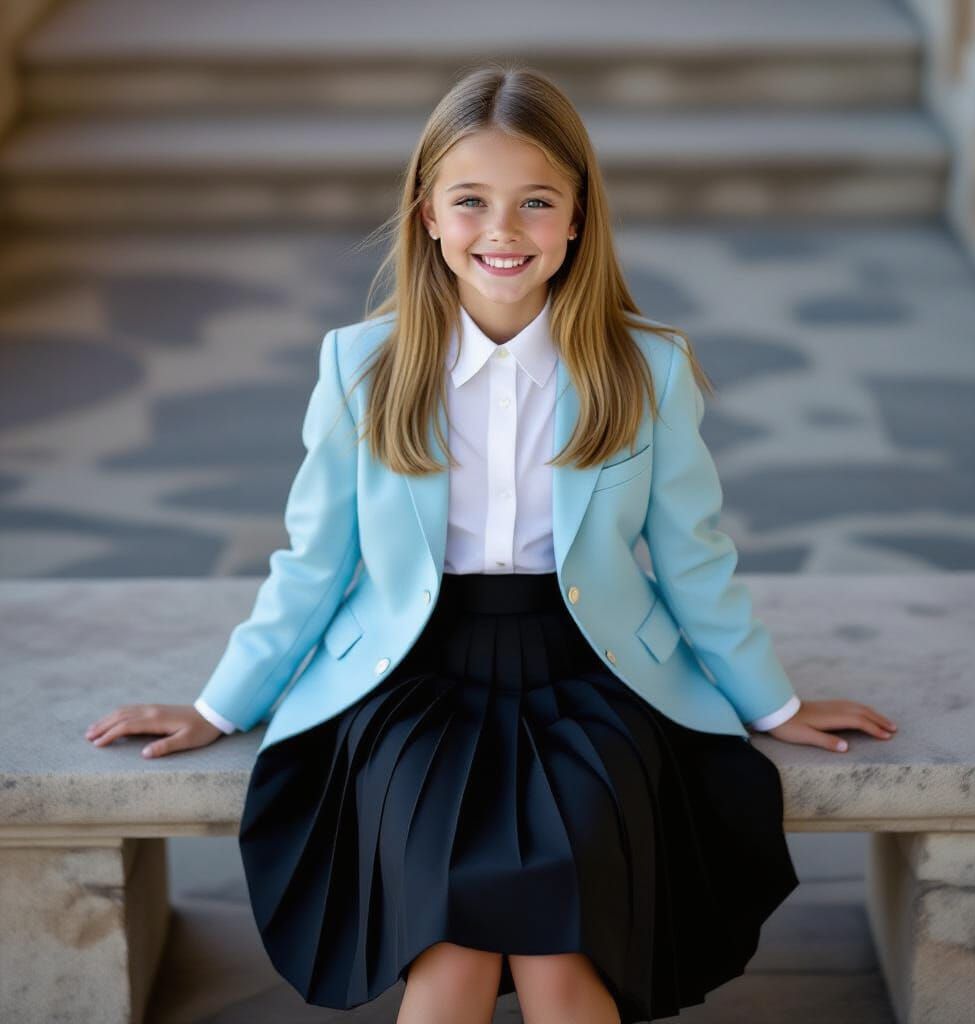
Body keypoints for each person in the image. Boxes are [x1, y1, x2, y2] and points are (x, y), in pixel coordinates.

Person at [84, 62, 899, 1024]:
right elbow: (315, 560)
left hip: (589, 677)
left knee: (561, 963)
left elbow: (693, 556)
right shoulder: (362, 367)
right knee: (454, 959)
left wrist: (775, 700)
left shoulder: (649, 369)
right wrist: (221, 705)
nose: (503, 231)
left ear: (578, 218)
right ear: (428, 214)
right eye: (471, 201)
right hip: (411, 679)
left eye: (535, 203)